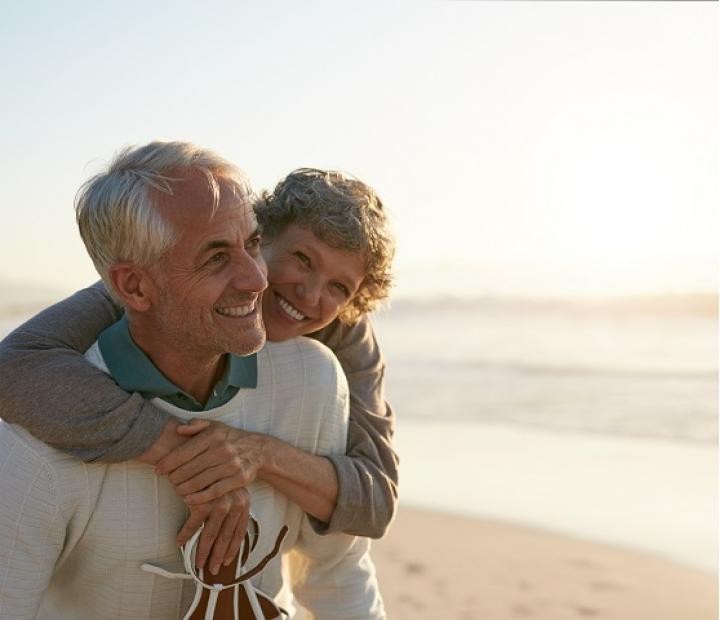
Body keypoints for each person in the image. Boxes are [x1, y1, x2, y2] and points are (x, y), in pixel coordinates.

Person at [0, 142, 385, 618]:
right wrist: (191, 457)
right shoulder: (38, 422)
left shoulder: (320, 374)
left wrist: (258, 454)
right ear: (134, 287)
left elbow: (349, 553)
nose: (257, 279)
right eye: (217, 257)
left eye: (248, 245)